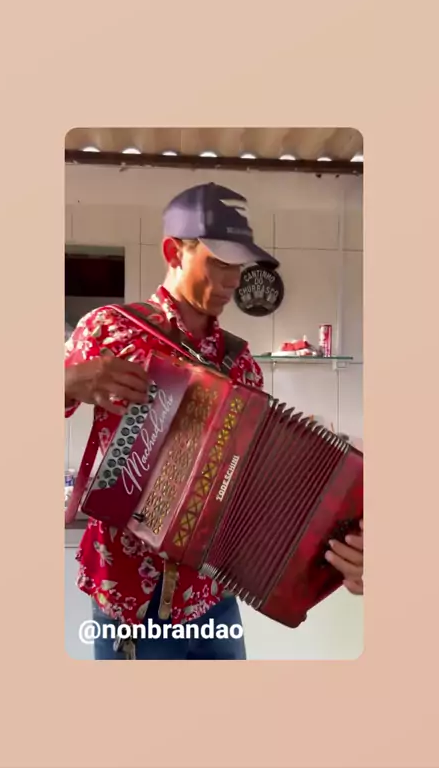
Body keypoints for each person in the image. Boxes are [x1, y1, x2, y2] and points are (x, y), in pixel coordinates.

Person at [64, 182, 364, 660]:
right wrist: (69, 380)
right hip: (132, 601)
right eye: (220, 263)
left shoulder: (240, 364)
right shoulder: (110, 329)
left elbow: (251, 488)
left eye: (239, 267)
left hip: (213, 600)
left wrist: (338, 542)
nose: (232, 281)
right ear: (173, 252)